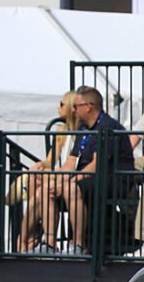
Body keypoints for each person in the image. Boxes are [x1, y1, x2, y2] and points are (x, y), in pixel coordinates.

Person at [59, 85, 135, 253]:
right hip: (89, 178)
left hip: (113, 179)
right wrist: (55, 180)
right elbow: (72, 160)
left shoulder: (108, 126)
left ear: (88, 107)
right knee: (44, 189)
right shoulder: (84, 129)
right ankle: (42, 244)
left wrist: (70, 181)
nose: (73, 110)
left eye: (76, 106)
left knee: (71, 188)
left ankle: (77, 245)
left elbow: (97, 164)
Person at [17, 91, 82, 252]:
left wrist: (49, 172)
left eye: (61, 104)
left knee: (40, 191)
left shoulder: (83, 131)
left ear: (70, 107)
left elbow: (73, 165)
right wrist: (40, 165)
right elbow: (50, 160)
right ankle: (35, 231)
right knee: (33, 178)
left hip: (72, 175)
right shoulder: (61, 131)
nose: (57, 107)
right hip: (62, 173)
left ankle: (25, 238)